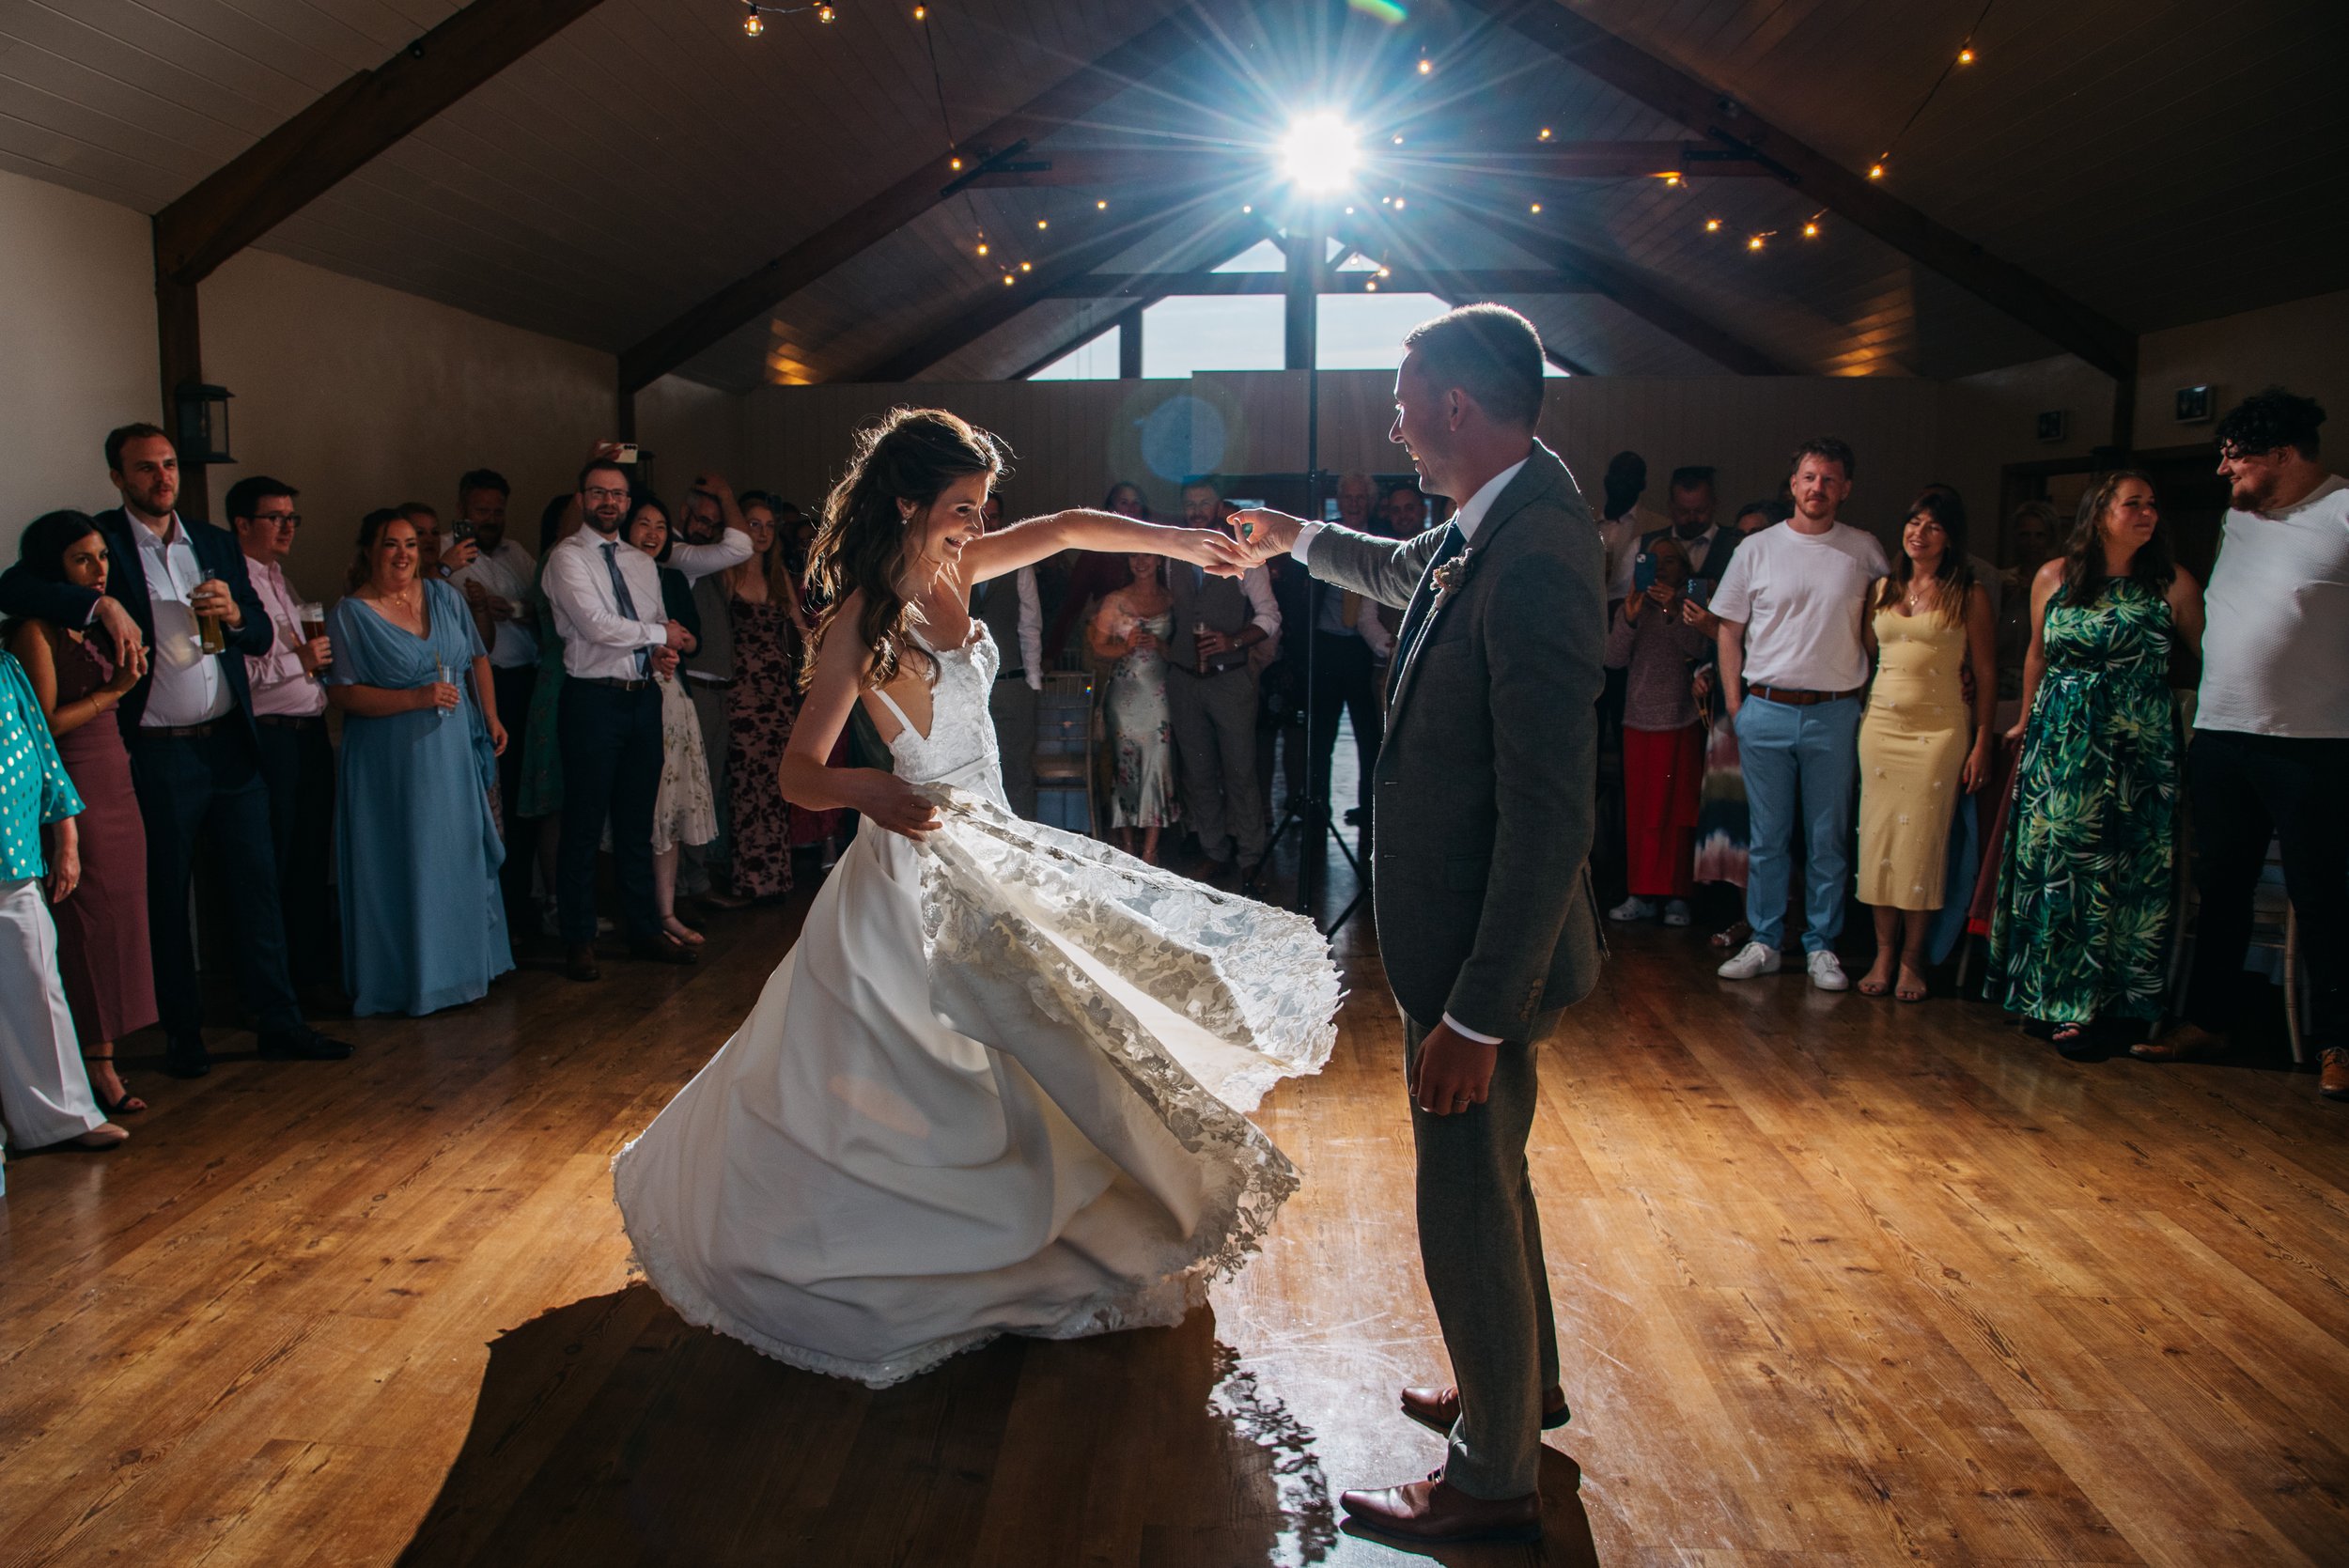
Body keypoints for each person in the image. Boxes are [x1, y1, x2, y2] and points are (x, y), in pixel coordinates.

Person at [612, 406, 1336, 1391]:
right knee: (934, 1068)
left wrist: (1174, 540)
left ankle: (1040, 1227)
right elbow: (796, 773)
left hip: (997, 839)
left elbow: (1076, 522)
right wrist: (868, 786)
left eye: (982, 505)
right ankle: (898, 1250)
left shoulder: (960, 568)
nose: (975, 522)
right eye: (959, 506)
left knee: (1055, 1042)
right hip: (915, 861)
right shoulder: (860, 621)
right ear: (907, 500)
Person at [1230, 303, 1604, 1548]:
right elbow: (1397, 571)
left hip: (1481, 964)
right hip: (1468, 948)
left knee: (1461, 1194)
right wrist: (1291, 536)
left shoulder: (1540, 553)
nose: (1393, 418)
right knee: (1496, 1172)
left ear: (1455, 404)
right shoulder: (1502, 511)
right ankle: (1520, 1390)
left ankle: (1489, 1482)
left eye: (1404, 393)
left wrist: (1478, 1013)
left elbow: (1551, 815)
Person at [0, 424, 350, 1077]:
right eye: (145, 468)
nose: (161, 478)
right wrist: (99, 604)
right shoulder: (100, 543)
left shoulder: (213, 541)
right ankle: (182, 1034)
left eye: (167, 465)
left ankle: (278, 1020)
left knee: (258, 885)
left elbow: (254, 636)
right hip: (155, 751)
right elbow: (12, 587)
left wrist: (240, 616)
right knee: (168, 893)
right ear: (118, 477)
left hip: (230, 743)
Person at [2159, 390, 2347, 1090]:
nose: (2222, 470)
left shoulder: (2344, 511)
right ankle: (2208, 1019)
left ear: (2283, 455)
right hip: (2220, 733)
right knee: (2221, 886)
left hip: (2312, 741)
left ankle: (2338, 1042)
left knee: (2323, 893)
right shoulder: (2237, 519)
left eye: (2234, 457)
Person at [1987, 471, 2203, 1053]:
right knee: (2059, 865)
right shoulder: (2054, 577)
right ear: (2099, 512)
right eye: (2133, 504)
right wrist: (2027, 718)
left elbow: (2204, 663)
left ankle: (2113, 1007)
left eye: (2153, 505)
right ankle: (2049, 995)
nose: (2147, 513)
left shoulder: (2172, 583)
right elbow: (2037, 653)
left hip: (2140, 746)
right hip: (2062, 739)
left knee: (2130, 873)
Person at [1711, 439, 1890, 992]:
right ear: (1793, 484)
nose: (1818, 488)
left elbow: (1895, 622)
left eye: (1829, 479)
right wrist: (1737, 706)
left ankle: (1821, 946)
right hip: (1765, 707)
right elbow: (1728, 630)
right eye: (1809, 477)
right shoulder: (1757, 548)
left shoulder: (1864, 550)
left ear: (1846, 488)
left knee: (1827, 837)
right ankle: (1764, 941)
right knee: (1766, 837)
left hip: (1835, 712)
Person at [326, 510, 513, 1016]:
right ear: (370, 549)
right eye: (391, 544)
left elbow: (476, 658)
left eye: (411, 544)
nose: (404, 554)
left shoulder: (445, 596)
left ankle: (465, 971)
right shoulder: (350, 613)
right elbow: (342, 694)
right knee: (409, 860)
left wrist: (490, 716)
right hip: (392, 759)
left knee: (456, 855)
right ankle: (412, 982)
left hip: (453, 748)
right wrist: (416, 699)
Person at [6, 511, 154, 1116]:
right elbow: (37, 728)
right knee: (85, 921)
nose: (98, 571)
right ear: (51, 569)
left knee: (120, 916)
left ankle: (107, 1051)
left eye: (102, 558)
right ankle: (93, 1065)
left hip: (116, 776)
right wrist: (112, 692)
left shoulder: (93, 625)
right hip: (72, 782)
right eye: (81, 560)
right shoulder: (34, 631)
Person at [540, 458, 697, 981]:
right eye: (598, 493)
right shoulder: (566, 558)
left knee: (636, 823)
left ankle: (644, 930)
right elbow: (598, 626)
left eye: (618, 494)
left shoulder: (640, 562)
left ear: (628, 502)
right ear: (583, 499)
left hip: (641, 697)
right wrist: (660, 638)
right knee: (584, 823)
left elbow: (651, 623)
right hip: (592, 700)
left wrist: (662, 653)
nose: (609, 502)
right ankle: (579, 938)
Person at [1854, 490, 1996, 1001]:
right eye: (1913, 522)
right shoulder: (1882, 589)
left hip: (1938, 733)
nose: (1919, 533)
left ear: (1950, 537)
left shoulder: (1968, 594)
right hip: (1882, 728)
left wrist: (1982, 743)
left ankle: (1914, 959)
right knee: (1878, 844)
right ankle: (1883, 953)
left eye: (1933, 526)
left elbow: (1983, 670)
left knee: (1922, 845)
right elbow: (1870, 656)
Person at [0, 646, 126, 1151]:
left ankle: (62, 1117)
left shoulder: (6, 667)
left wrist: (66, 834)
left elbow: (40, 748)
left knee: (36, 979)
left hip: (15, 850)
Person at [227, 474, 341, 1007]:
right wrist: (299, 661)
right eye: (276, 518)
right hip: (271, 737)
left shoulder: (279, 579)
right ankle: (273, 991)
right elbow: (237, 676)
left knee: (312, 856)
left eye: (292, 517)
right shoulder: (235, 587)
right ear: (243, 524)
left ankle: (309, 975)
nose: (287, 527)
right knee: (277, 860)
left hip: (308, 731)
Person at [1164, 477, 1282, 883]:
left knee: (1240, 771)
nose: (1197, 510)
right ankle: (1214, 850)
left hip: (1231, 681)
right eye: (1190, 503)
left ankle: (1251, 855)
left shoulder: (1245, 554)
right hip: (1183, 679)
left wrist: (1233, 640)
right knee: (1197, 772)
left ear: (1218, 508)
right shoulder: (1171, 552)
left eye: (1204, 503)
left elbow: (1270, 616)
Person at [443, 469, 540, 931]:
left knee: (521, 800)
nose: (491, 519)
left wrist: (514, 610)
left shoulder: (516, 554)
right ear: (462, 509)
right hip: (479, 686)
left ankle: (519, 908)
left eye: (498, 511)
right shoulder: (447, 555)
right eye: (482, 510)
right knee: (488, 798)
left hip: (524, 682)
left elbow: (539, 607)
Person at [1604, 536, 1711, 926]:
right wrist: (1630, 619)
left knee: (1677, 811)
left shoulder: (1692, 607)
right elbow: (1612, 659)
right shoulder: (1631, 606)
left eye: (1670, 561)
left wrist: (1670, 609)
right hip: (1638, 720)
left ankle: (1678, 895)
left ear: (1684, 569)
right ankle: (1641, 893)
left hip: (1680, 719)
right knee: (1642, 812)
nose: (1661, 569)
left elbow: (1699, 647)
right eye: (1653, 561)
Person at [626, 496, 717, 948]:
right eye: (643, 523)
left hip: (671, 695)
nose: (652, 533)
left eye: (660, 526)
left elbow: (694, 638)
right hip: (627, 693)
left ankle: (665, 910)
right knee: (635, 812)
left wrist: (676, 640)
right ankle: (636, 912)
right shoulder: (610, 575)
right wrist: (654, 643)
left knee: (671, 807)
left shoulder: (672, 578)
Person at [723, 500, 804, 900]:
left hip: (775, 690)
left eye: (769, 526)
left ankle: (776, 879)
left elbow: (802, 630)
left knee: (775, 783)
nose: (761, 532)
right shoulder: (727, 572)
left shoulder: (778, 576)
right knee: (743, 784)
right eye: (753, 523)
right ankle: (746, 881)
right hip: (739, 689)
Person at [1305, 474, 1394, 828]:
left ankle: (1368, 810)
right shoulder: (1326, 539)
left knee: (1368, 737)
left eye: (1361, 498)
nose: (1355, 503)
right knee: (1321, 736)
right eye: (1349, 497)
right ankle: (1318, 809)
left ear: (1369, 502)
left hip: (1363, 650)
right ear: (1338, 501)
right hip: (1326, 645)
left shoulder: (1383, 537)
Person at [1088, 552, 1178, 862]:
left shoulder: (1171, 597)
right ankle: (1128, 847)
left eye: (1147, 556)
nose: (1140, 561)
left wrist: (1162, 646)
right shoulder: (1116, 600)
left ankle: (1150, 850)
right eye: (1134, 556)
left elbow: (1180, 649)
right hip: (1124, 696)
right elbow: (1098, 646)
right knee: (1125, 769)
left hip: (1159, 693)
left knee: (1158, 763)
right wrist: (1124, 647)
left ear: (1158, 560)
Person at [515, 492, 579, 932]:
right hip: (557, 683)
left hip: (580, 683)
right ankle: (556, 898)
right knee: (555, 796)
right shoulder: (560, 559)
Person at [972, 492, 1045, 818]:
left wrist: (1031, 682)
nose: (988, 523)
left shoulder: (1019, 562)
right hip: (968, 687)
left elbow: (1029, 625)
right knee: (975, 776)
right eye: (981, 515)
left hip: (1011, 682)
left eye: (995, 516)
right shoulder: (950, 562)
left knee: (1017, 771)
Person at [1994, 499, 2060, 705]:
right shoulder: (2001, 580)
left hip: (2047, 673)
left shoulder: (2062, 583)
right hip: (2003, 674)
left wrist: (2036, 592)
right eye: (2025, 535)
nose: (2032, 542)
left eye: (2039, 535)